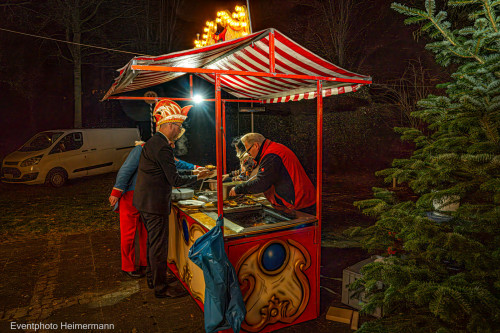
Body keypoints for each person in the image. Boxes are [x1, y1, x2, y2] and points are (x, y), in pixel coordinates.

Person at [133, 99, 210, 299]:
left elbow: (170, 171)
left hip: (145, 201)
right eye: (178, 127)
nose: (180, 130)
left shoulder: (153, 141)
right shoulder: (162, 146)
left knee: (153, 243)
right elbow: (174, 178)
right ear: (169, 125)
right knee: (158, 246)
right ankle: (161, 288)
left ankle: (153, 278)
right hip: (154, 203)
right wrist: (198, 176)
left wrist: (193, 171)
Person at [109, 141, 201, 279]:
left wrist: (197, 168)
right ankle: (128, 266)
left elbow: (177, 164)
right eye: (172, 142)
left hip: (148, 195)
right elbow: (126, 169)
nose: (174, 146)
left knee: (146, 231)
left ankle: (145, 263)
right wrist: (116, 191)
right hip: (130, 194)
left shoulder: (163, 151)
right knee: (129, 233)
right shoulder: (142, 149)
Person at [229, 133, 316, 215]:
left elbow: (262, 183)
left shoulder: (271, 155)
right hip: (297, 201)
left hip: (299, 204)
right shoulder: (272, 149)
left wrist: (238, 189)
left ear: (256, 145)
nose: (248, 154)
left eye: (248, 150)